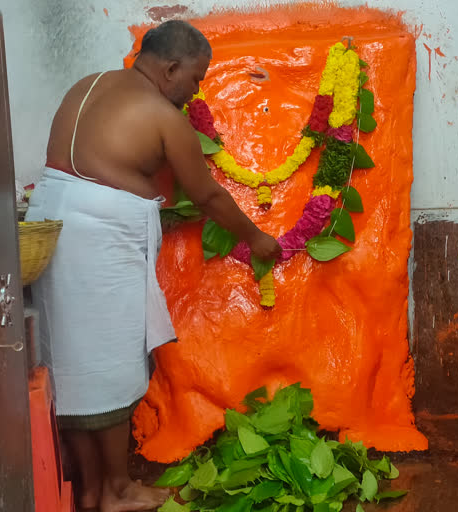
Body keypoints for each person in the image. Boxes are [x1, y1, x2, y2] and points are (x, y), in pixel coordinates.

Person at [26, 20, 281, 512]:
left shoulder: (88, 84)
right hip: (96, 240)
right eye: (196, 78)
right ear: (169, 68)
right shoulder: (164, 116)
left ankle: (93, 491)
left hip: (53, 224)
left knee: (72, 367)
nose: (196, 90)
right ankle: (117, 491)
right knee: (107, 368)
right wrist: (256, 237)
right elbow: (206, 194)